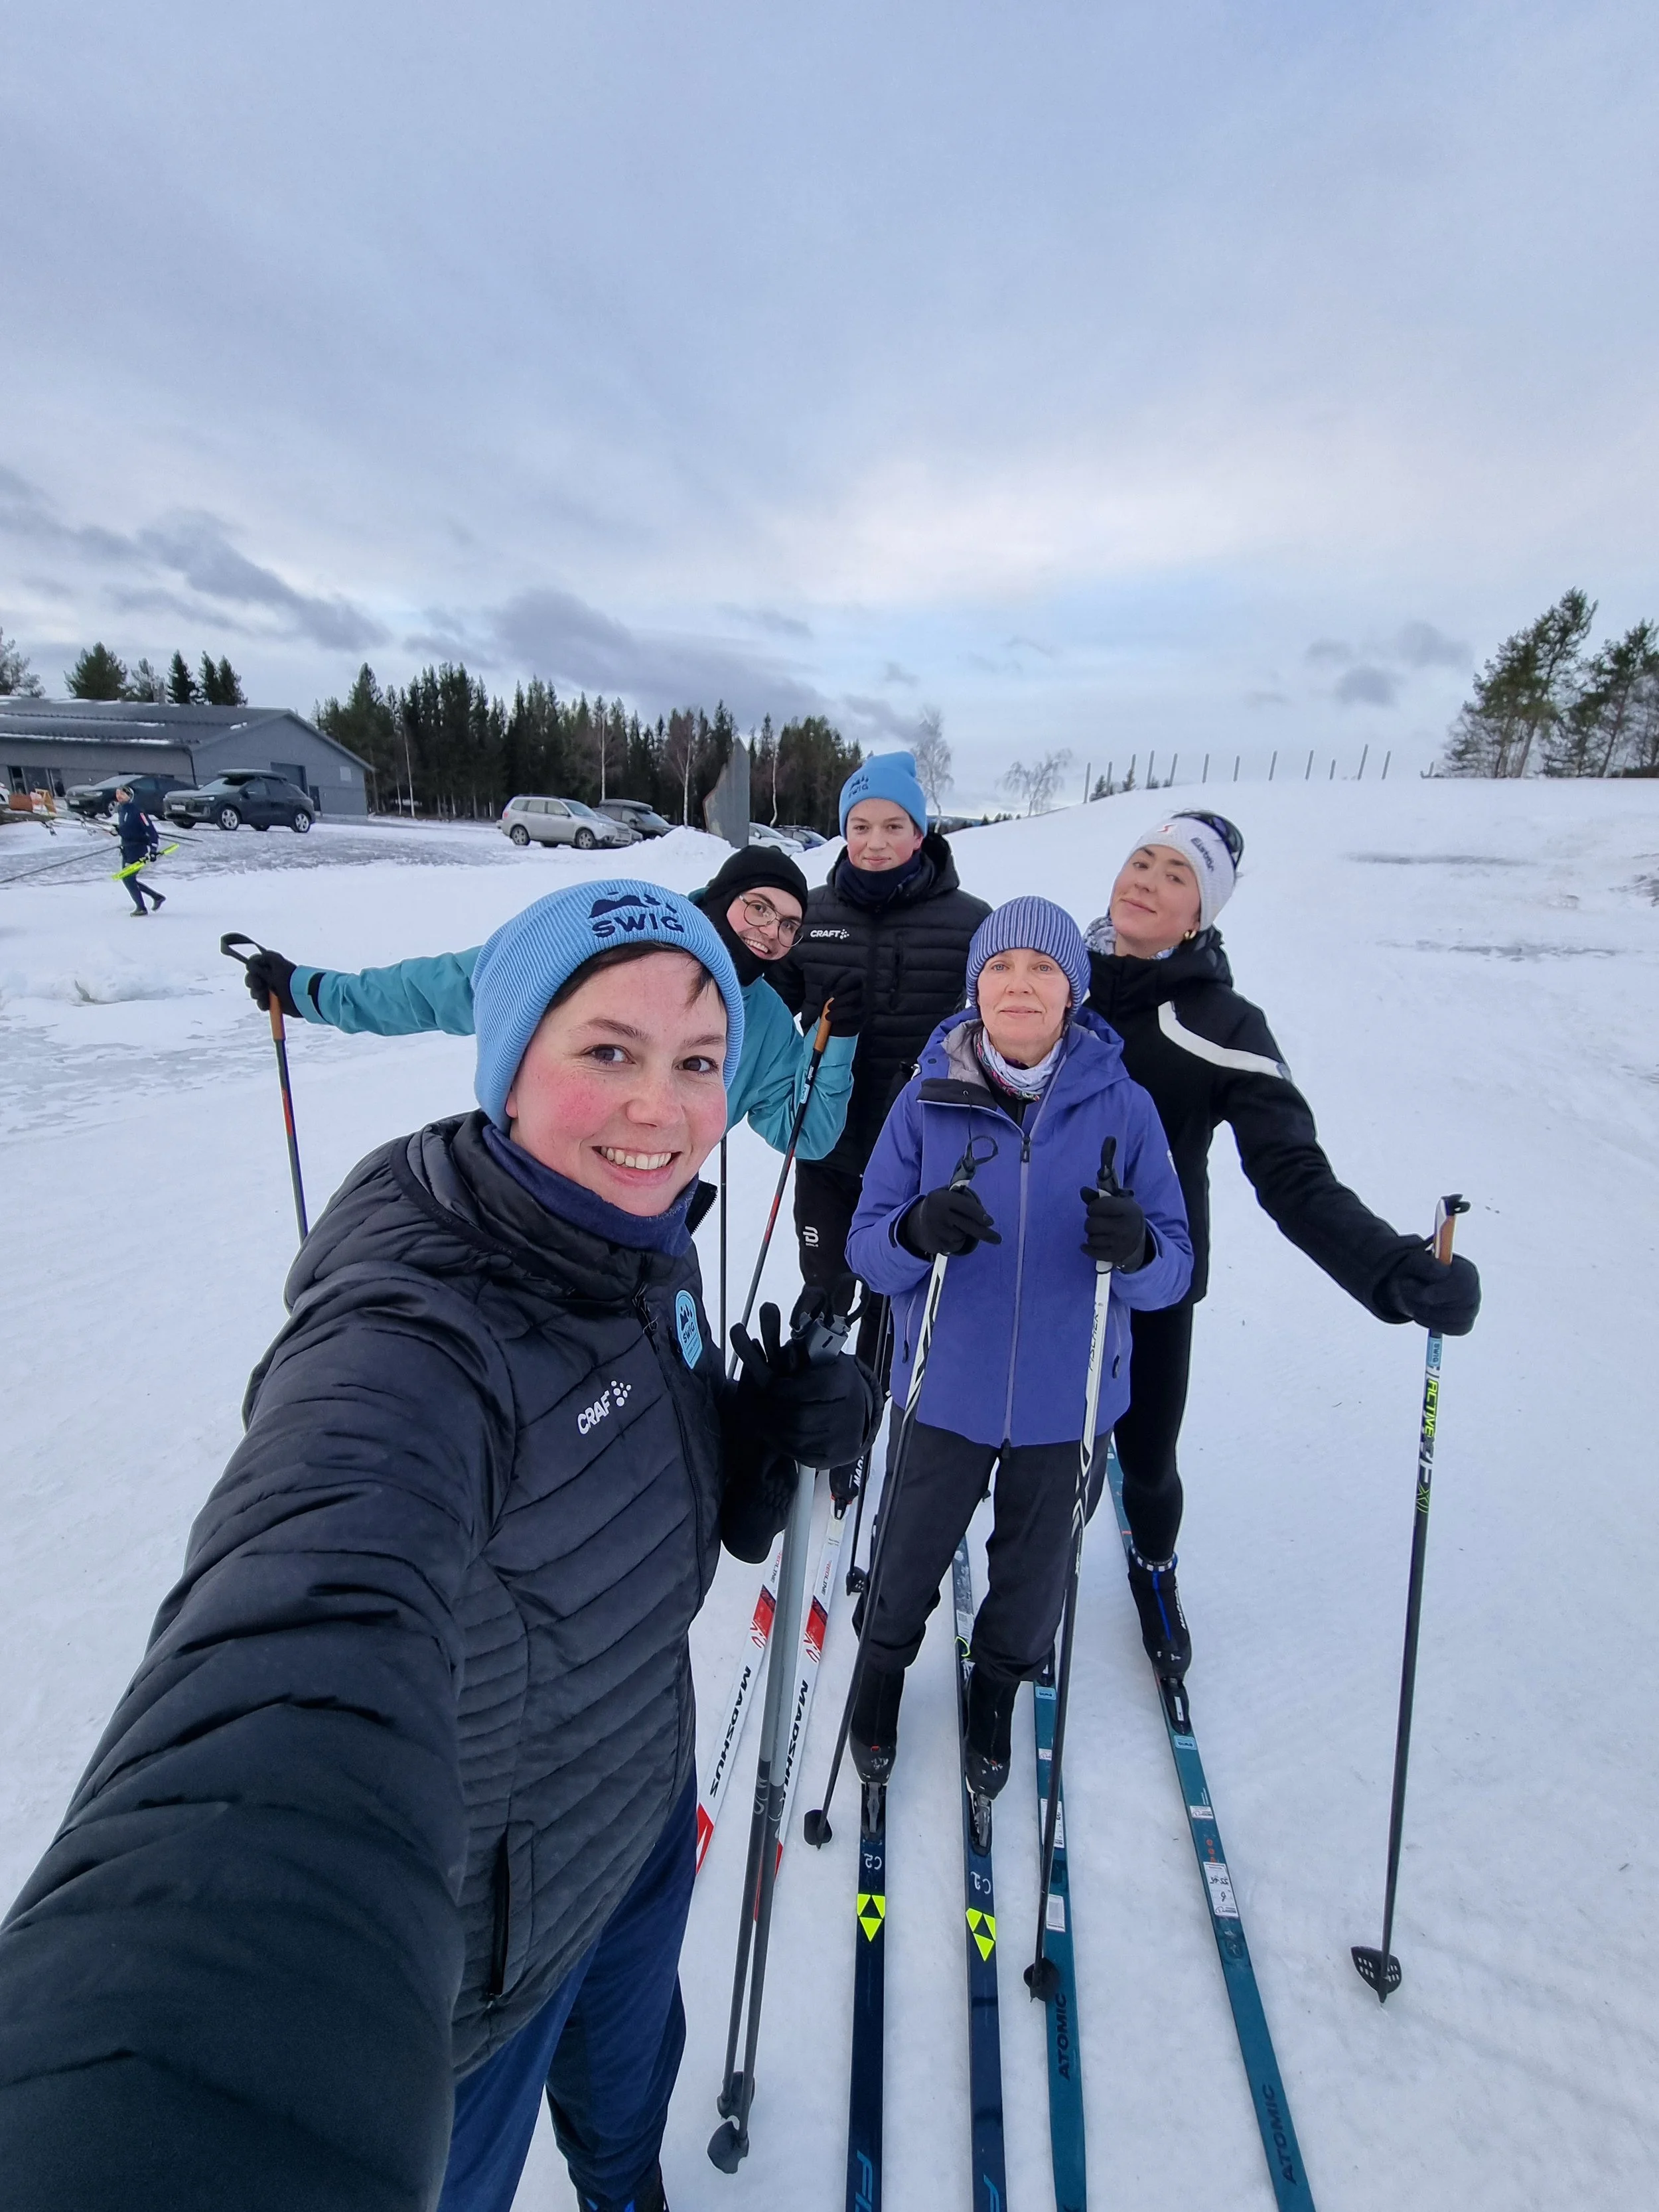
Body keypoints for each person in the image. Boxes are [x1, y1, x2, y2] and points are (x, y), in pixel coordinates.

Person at [0, 877, 875, 2212]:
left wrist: (749, 1447)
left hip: (635, 1815)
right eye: (606, 1051)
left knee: (625, 2119)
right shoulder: (411, 1325)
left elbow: (615, 1500)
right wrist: (183, 2035)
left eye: (697, 1061)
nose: (663, 1107)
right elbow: (311, 1596)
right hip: (469, 1961)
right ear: (508, 1060)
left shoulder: (636, 1242)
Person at [1084, 812, 1482, 1686]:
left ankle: (1155, 1570)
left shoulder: (1222, 1021)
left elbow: (1295, 1177)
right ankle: (1033, 1580)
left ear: (1201, 915)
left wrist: (1395, 1269)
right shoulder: (1050, 977)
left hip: (1156, 1276)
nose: (1147, 879)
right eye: (1141, 860)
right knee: (1044, 1453)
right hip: (1044, 1267)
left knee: (1148, 1457)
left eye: (1176, 875)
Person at [844, 897, 1192, 1840]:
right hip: (941, 1387)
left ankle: (995, 1689)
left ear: (1074, 991)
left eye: (1042, 968)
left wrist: (1138, 1251)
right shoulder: (927, 1097)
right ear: (977, 988)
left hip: (1066, 1404)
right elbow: (867, 1248)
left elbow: (1175, 1270)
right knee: (908, 1551)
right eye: (1002, 969)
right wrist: (916, 1231)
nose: (1021, 985)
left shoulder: (1125, 1106)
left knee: (1035, 1575)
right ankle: (879, 1673)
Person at [239, 844, 861, 1164]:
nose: (770, 934)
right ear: (724, 894)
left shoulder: (770, 1022)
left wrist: (834, 1041)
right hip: (530, 1198)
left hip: (652, 1220)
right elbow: (444, 988)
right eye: (758, 907)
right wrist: (311, 991)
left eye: (789, 926)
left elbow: (803, 1135)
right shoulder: (611, 938)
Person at [778, 751, 991, 1386]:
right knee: (821, 1289)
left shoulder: (973, 923)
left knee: (894, 1301)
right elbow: (761, 1008)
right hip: (828, 1149)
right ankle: (805, 1422)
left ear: (920, 833)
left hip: (918, 1155)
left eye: (893, 826)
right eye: (861, 825)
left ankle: (866, 1428)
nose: (875, 842)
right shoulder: (807, 915)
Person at [113, 784, 164, 915]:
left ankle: (141, 908)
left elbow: (151, 832)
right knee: (128, 879)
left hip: (137, 849)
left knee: (128, 879)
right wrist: (118, 831)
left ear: (130, 796)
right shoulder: (122, 809)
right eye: (118, 794)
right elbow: (128, 828)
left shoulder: (137, 811)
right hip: (126, 848)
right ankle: (156, 897)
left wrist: (153, 851)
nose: (119, 796)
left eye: (122, 794)